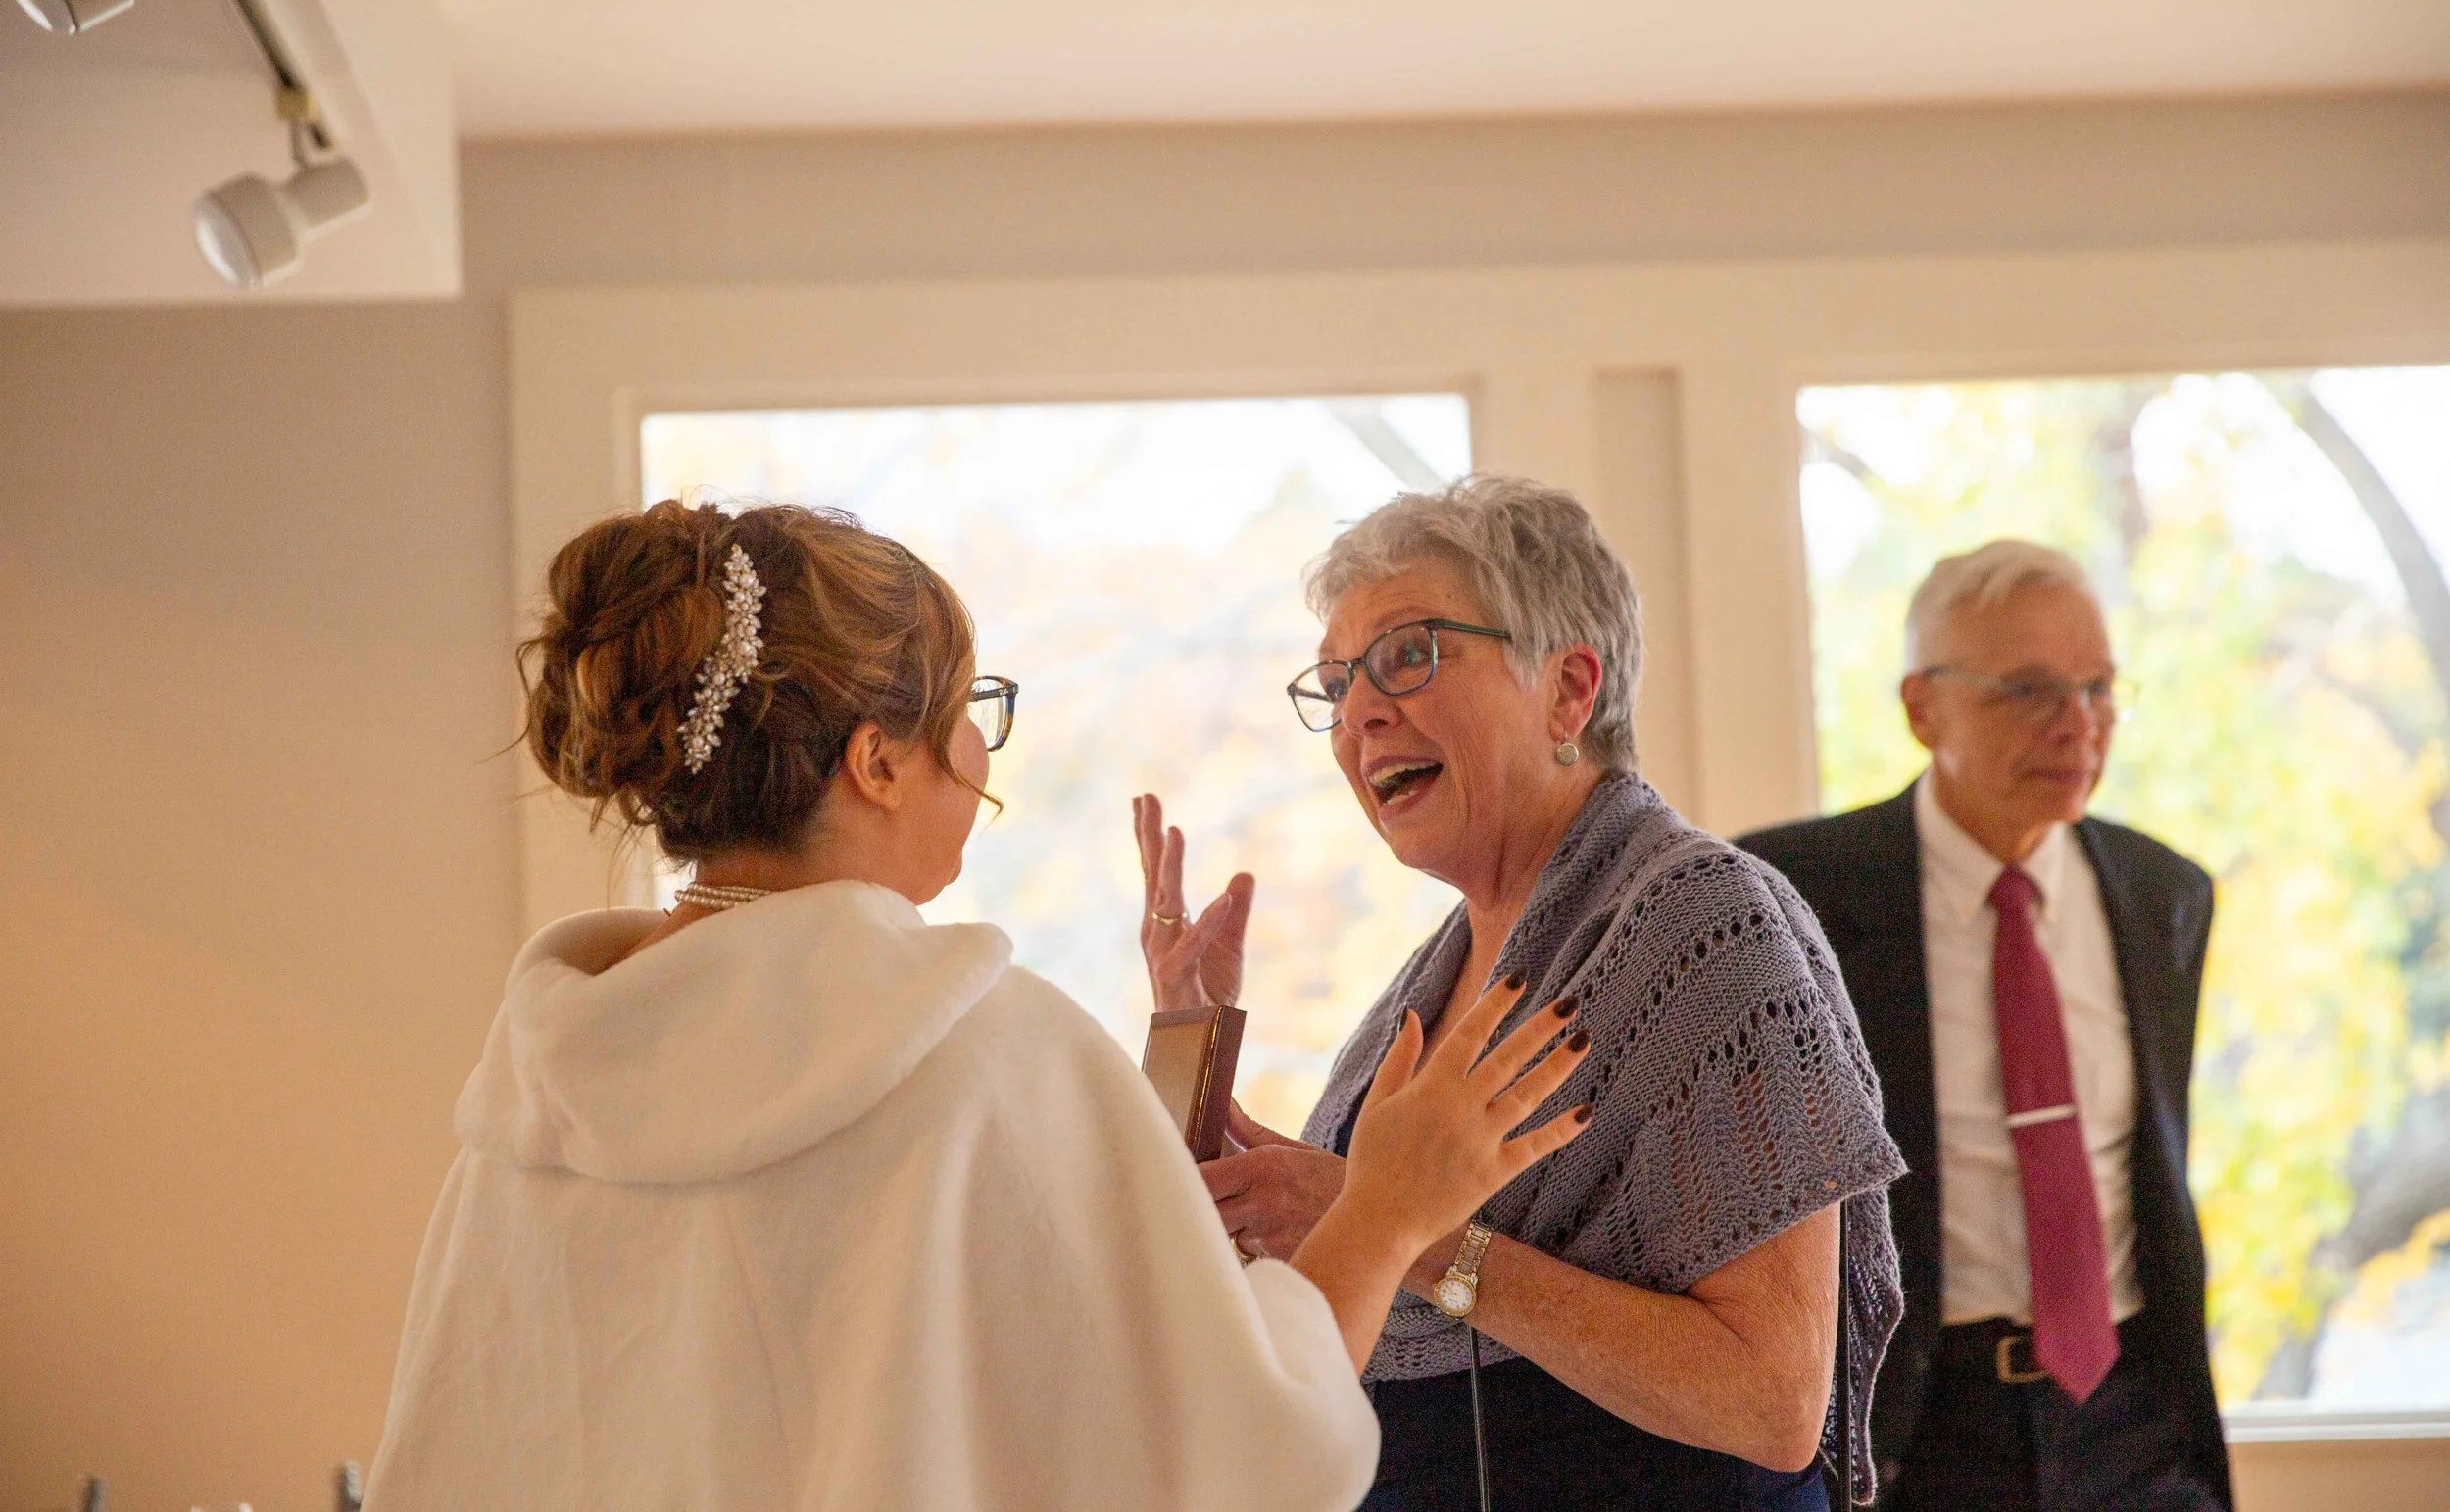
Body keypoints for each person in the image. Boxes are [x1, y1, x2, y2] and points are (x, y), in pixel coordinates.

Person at [363, 500, 1594, 1512]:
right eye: (969, 705)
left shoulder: (538, 1108)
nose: (984, 751)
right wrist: (1385, 1210)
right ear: (878, 757)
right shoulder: (981, 1052)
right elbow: (1238, 1457)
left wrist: (1184, 1044)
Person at [1137, 475, 1907, 1511]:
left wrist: (1411, 1235)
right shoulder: (1434, 972)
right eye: (1334, 683)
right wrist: (1195, 1054)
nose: (1359, 710)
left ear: (1567, 690)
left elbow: (1770, 1399)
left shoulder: (1704, 923)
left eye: (1406, 655)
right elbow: (1329, 1281)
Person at [1739, 539, 2232, 1511]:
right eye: (2028, 690)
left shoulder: (2163, 893)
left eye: (2098, 689)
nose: (2076, 727)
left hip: (2133, 1421)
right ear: (1921, 706)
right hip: (1916, 1428)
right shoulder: (1789, 897)